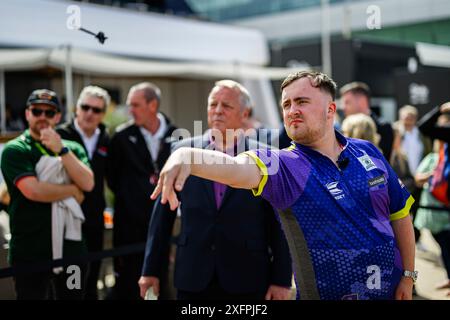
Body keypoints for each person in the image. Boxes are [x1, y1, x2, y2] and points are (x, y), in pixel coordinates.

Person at [151, 71, 417, 300]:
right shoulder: (284, 164)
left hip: (391, 290)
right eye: (286, 104)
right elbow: (236, 169)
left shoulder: (367, 151)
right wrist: (186, 155)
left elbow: (399, 213)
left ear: (330, 110)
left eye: (301, 101)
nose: (292, 111)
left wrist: (408, 275)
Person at [138, 80, 292, 300]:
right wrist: (150, 270)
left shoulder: (267, 155)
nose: (218, 111)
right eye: (213, 104)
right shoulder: (182, 150)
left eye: (226, 105)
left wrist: (281, 279)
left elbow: (279, 222)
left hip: (248, 277)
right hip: (193, 276)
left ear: (245, 112)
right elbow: (162, 215)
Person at [0, 89, 94, 299]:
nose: (42, 116)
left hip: (71, 250)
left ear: (58, 117)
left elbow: (87, 183)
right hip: (30, 251)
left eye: (49, 112)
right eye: (36, 111)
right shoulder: (15, 149)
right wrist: (71, 189)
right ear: (27, 114)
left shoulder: (72, 148)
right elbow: (33, 191)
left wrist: (61, 150)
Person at [106, 82, 177, 300]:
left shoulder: (178, 136)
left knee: (163, 287)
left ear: (152, 105)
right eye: (130, 105)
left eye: (136, 105)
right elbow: (113, 179)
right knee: (128, 286)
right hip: (129, 230)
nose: (131, 111)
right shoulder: (121, 137)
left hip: (167, 226)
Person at [56, 85, 110, 300]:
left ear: (102, 114)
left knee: (91, 280)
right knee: (70, 283)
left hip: (95, 220)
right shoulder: (60, 135)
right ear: (76, 108)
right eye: (85, 107)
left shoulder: (106, 139)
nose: (89, 113)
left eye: (96, 110)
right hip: (66, 220)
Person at [414, 124, 450, 295]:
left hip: (445, 212)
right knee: (444, 248)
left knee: (446, 248)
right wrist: (432, 175)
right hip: (433, 212)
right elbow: (418, 179)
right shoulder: (432, 158)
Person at [340, 82, 394, 161]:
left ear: (362, 101)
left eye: (347, 102)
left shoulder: (383, 127)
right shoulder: (343, 126)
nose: (343, 107)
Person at [396, 105, 431, 175]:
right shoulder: (395, 133)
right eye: (406, 118)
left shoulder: (422, 134)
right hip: (402, 176)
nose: (408, 121)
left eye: (411, 118)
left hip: (420, 175)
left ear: (415, 119)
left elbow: (428, 153)